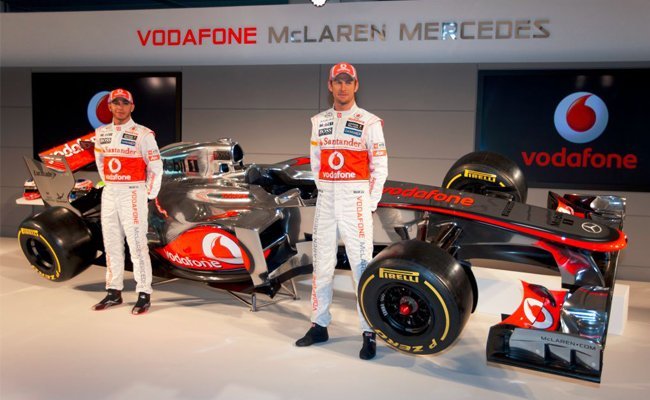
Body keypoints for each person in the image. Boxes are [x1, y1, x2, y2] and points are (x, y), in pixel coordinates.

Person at [296, 62, 388, 359]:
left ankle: (369, 332)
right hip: (326, 199)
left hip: (355, 201)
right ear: (330, 85)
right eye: (338, 81)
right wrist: (326, 187)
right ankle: (319, 324)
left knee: (361, 267)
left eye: (348, 81)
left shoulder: (370, 122)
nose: (343, 86)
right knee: (322, 266)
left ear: (356, 85)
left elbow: (380, 167)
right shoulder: (318, 121)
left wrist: (368, 202)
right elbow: (315, 162)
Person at [91, 88, 163, 315]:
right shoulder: (101, 133)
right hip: (110, 192)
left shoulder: (143, 134)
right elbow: (100, 162)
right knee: (111, 243)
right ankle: (114, 291)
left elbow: (155, 166)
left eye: (124, 103)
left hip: (133, 192)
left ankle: (144, 293)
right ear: (109, 106)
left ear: (132, 106)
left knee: (137, 244)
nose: (120, 107)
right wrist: (110, 183)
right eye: (116, 103)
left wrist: (148, 194)